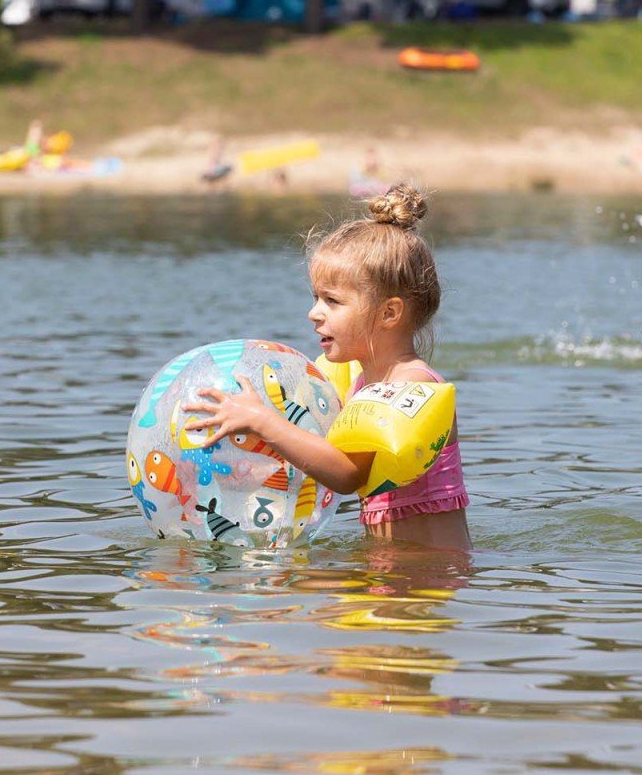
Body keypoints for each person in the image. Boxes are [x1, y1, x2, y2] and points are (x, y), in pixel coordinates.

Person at [183, 185, 470, 550]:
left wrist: (261, 420)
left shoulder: (411, 385)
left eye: (332, 301)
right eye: (315, 297)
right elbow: (315, 459)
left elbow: (347, 475)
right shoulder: (361, 384)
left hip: (430, 574)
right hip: (392, 571)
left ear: (389, 313)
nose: (314, 313)